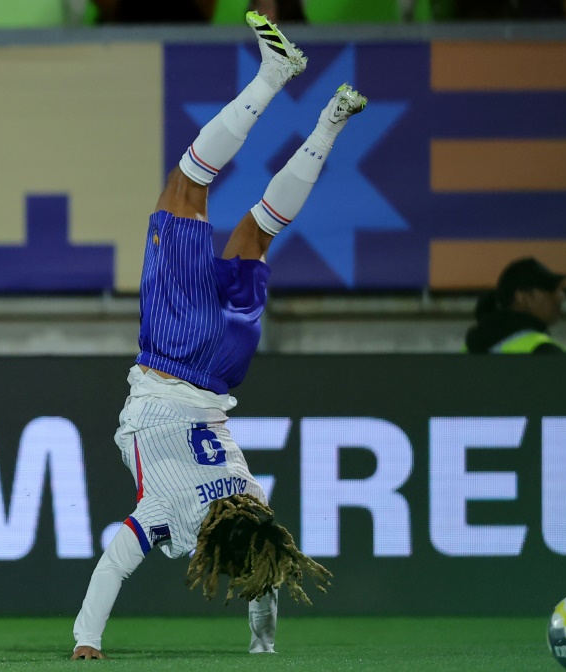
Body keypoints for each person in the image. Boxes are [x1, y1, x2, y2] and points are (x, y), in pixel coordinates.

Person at [70, 10, 368, 660]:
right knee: (187, 186)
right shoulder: (167, 514)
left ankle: (328, 122)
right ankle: (273, 75)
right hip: (176, 357)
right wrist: (86, 641)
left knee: (258, 229)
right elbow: (114, 564)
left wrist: (266, 644)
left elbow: (267, 571)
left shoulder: (251, 500)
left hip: (228, 365)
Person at [463, 257, 566, 354]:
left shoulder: (468, 348)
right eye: (551, 289)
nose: (561, 296)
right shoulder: (545, 351)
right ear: (523, 297)